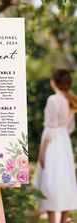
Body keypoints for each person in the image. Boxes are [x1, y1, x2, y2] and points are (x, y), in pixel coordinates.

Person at [34, 69, 77, 223]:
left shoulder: (53, 99)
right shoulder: (69, 99)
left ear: (54, 82)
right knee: (64, 180)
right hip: (64, 143)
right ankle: (63, 220)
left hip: (53, 144)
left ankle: (52, 220)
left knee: (51, 180)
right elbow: (69, 127)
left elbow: (51, 128)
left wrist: (43, 152)